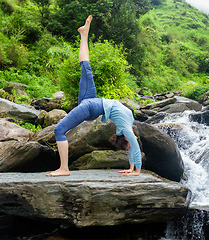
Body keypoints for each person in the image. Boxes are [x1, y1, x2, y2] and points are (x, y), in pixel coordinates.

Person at [46, 15, 141, 177]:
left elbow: (133, 146)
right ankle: (84, 34)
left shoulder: (125, 126)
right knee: (85, 66)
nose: (131, 144)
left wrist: (134, 169)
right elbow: (134, 146)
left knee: (59, 130)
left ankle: (64, 169)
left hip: (91, 107)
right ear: (124, 139)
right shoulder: (126, 126)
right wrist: (135, 170)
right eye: (128, 145)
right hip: (92, 102)